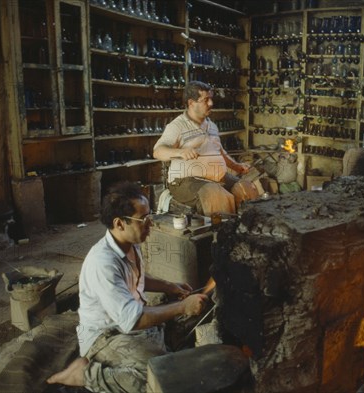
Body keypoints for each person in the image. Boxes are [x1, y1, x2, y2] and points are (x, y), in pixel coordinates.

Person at [47, 181, 207, 392]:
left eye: (150, 216)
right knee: (156, 378)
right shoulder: (103, 263)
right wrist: (182, 307)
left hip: (128, 322)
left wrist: (170, 286)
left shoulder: (129, 244)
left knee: (172, 350)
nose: (150, 224)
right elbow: (133, 319)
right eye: (143, 219)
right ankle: (85, 375)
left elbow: (137, 277)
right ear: (119, 224)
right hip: (106, 335)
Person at [153, 81, 258, 216]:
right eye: (205, 100)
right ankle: (223, 233)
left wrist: (237, 166)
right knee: (214, 194)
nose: (211, 104)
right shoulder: (177, 126)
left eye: (211, 99)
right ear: (191, 103)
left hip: (215, 177)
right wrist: (180, 152)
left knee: (246, 188)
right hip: (184, 181)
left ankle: (249, 229)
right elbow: (158, 151)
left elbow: (220, 152)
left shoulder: (212, 125)